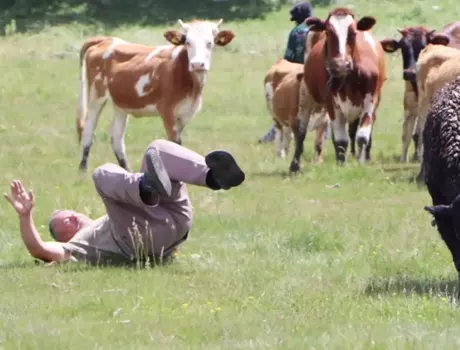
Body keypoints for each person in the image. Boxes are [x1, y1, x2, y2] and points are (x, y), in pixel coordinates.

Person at [3, 140, 245, 266]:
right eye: (65, 222)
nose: (74, 217)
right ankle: (147, 188)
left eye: (72, 212)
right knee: (100, 175)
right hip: (141, 241)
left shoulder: (109, 218)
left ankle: (213, 177)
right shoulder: (79, 247)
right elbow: (40, 250)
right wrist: (25, 217)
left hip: (176, 219)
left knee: (157, 149)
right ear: (64, 237)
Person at [258, 1, 317, 144]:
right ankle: (324, 134)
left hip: (297, 75)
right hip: (317, 74)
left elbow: (289, 58)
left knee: (285, 108)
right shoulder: (320, 30)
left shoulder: (296, 32)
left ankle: (272, 135)